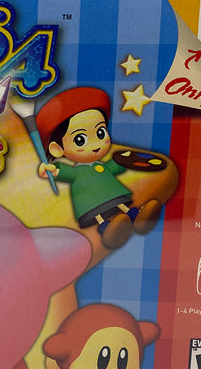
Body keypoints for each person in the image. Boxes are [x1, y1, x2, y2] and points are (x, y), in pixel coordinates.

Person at [36, 86, 160, 250]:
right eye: (80, 140)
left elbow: (113, 167)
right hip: (90, 202)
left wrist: (124, 161)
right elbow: (64, 172)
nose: (95, 145)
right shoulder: (77, 172)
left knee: (123, 206)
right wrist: (50, 170)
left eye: (100, 133)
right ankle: (108, 230)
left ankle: (137, 216)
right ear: (57, 149)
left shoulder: (101, 166)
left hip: (113, 193)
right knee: (99, 216)